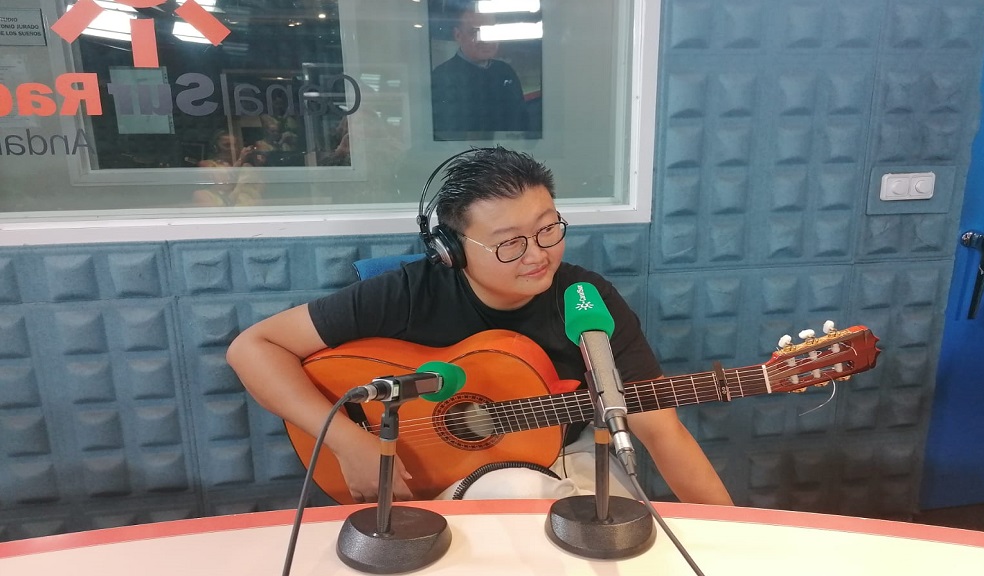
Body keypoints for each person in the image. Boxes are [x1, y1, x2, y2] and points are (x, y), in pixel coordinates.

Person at [225, 147, 733, 506]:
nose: (537, 254)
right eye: (510, 242)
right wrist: (347, 441)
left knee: (618, 531)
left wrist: (733, 538)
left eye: (548, 228)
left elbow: (662, 432)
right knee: (520, 497)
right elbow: (254, 347)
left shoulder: (586, 300)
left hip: (571, 451)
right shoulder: (409, 292)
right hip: (435, 470)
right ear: (450, 249)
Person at [430, 4, 529, 141]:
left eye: (490, 31)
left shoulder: (505, 71)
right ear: (458, 35)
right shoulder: (442, 76)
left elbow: (523, 122)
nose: (485, 39)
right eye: (475, 32)